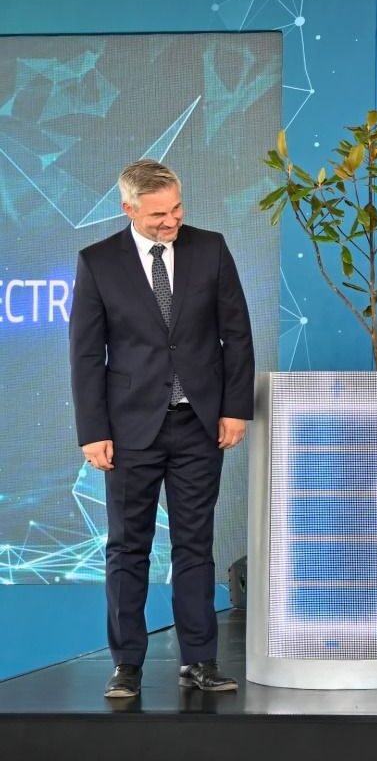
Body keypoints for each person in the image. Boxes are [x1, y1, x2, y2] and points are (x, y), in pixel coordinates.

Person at [70, 159, 256, 699]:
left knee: (195, 544)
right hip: (129, 430)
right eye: (158, 214)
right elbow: (86, 354)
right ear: (128, 209)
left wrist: (234, 408)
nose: (171, 220)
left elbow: (236, 335)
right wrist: (92, 430)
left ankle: (199, 659)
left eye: (176, 208)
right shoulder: (97, 261)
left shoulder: (211, 248)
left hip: (199, 424)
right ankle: (126, 663)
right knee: (127, 547)